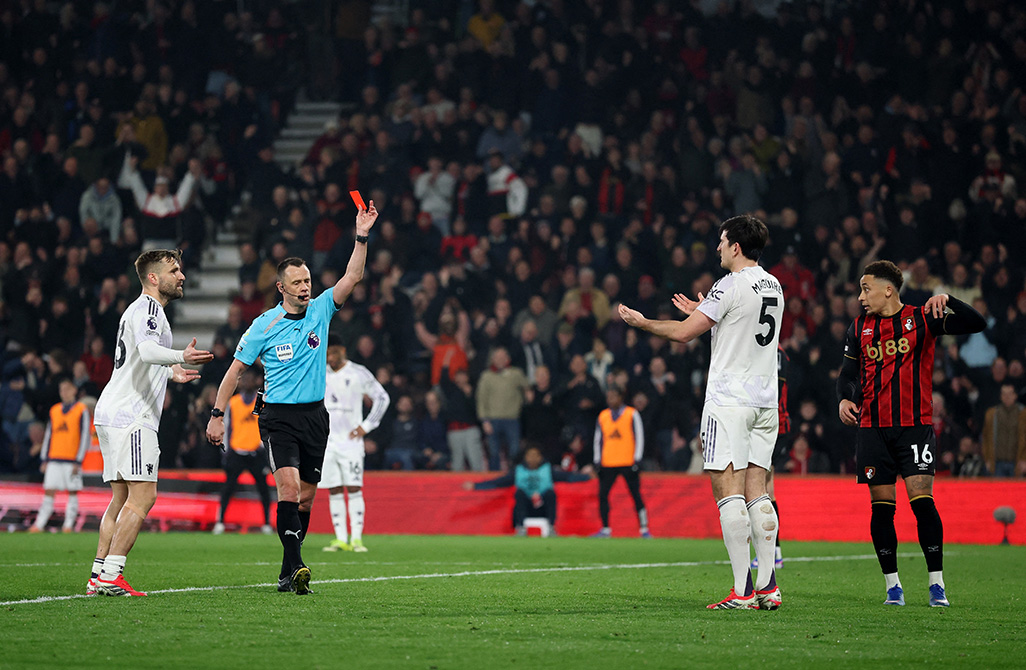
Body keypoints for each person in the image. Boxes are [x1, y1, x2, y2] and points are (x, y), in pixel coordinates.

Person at [206, 201, 379, 595]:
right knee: (287, 491)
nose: (306, 288)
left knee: (304, 500)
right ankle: (299, 564)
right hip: (278, 417)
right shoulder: (262, 325)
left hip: (316, 418)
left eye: (308, 281)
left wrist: (362, 235)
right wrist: (217, 414)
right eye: (298, 283)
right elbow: (234, 371)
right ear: (281, 287)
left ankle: (287, 573)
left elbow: (353, 274)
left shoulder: (322, 310)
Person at [619, 214, 785, 610]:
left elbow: (681, 333)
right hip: (765, 399)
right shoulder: (774, 284)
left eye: (722, 241)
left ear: (736, 247)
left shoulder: (728, 284)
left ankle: (743, 592)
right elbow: (742, 326)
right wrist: (705, 310)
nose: (717, 247)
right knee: (758, 492)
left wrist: (643, 323)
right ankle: (768, 587)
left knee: (728, 491)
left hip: (729, 400)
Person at [837, 260, 986, 608]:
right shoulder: (859, 328)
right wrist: (844, 397)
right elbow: (847, 373)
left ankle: (937, 584)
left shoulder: (923, 318)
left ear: (888, 289)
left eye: (866, 288)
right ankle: (893, 587)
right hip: (872, 429)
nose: (860, 296)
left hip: (914, 426)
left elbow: (975, 323)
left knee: (922, 503)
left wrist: (948, 299)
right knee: (882, 509)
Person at [88, 249, 213, 597]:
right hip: (133, 415)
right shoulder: (150, 308)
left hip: (112, 411)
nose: (182, 276)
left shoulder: (138, 311)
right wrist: (179, 356)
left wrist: (172, 372)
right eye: (174, 270)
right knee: (144, 496)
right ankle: (112, 576)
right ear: (154, 278)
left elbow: (141, 357)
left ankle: (98, 574)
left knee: (121, 499)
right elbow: (145, 351)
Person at [320, 338, 390, 553]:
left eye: (333, 353)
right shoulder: (320, 372)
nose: (329, 358)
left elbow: (382, 397)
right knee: (334, 489)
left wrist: (366, 426)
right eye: (327, 354)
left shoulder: (359, 372)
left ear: (342, 350)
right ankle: (341, 538)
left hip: (351, 442)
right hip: (328, 441)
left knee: (353, 487)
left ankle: (357, 539)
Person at [463, 445, 591, 535]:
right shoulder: (519, 471)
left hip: (543, 507)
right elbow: (499, 482)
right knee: (519, 493)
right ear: (525, 457)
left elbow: (568, 477)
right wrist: (476, 486)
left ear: (541, 457)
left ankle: (551, 527)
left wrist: (587, 476)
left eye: (536, 455)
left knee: (550, 493)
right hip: (525, 507)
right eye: (530, 455)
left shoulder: (547, 470)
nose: (533, 458)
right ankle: (521, 527)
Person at [212, 369, 273, 536]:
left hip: (256, 452)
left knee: (263, 490)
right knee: (228, 489)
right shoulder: (233, 402)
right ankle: (220, 522)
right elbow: (227, 425)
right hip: (237, 452)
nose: (246, 381)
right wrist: (225, 452)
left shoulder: (261, 401)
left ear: (256, 381)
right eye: (243, 378)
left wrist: (264, 449)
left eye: (250, 378)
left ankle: (267, 523)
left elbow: (267, 425)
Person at [590, 385, 652, 539]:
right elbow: (598, 439)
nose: (610, 400)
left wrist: (637, 459)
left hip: (627, 461)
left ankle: (644, 529)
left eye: (613, 396)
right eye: (608, 397)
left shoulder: (631, 414)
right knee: (603, 495)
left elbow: (639, 436)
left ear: (620, 397)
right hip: (608, 462)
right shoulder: (603, 416)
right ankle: (605, 529)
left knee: (635, 495)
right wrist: (597, 460)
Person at [31, 378, 90, 533]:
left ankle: (68, 525)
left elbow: (85, 435)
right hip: (54, 457)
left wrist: (79, 460)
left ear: (74, 390)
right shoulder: (54, 410)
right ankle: (39, 524)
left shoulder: (81, 410)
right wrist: (44, 458)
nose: (63, 392)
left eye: (66, 389)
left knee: (72, 491)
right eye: (61, 389)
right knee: (49, 490)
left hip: (71, 459)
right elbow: (49, 435)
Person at [753, 345, 790, 570]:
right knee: (767, 488)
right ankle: (774, 552)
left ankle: (771, 553)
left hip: (768, 424)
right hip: (776, 424)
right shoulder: (780, 352)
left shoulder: (770, 351)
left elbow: (773, 387)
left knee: (760, 489)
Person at [981, 383, 1026, 477]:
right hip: (997, 462)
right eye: (1004, 394)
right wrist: (987, 459)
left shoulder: (1023, 414)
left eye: (1010, 394)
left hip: (1017, 462)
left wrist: (1024, 459)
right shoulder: (992, 414)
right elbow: (985, 438)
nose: (1007, 397)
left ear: (1015, 395)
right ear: (1000, 396)